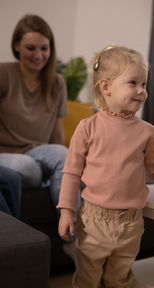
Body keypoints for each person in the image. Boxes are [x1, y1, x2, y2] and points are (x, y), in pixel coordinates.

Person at [57, 45, 154, 288]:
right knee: (87, 284)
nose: (142, 90)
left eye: (144, 83)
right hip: (94, 220)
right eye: (133, 83)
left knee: (118, 284)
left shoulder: (146, 131)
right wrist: (67, 210)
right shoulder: (87, 127)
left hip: (131, 223)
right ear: (106, 87)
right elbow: (71, 173)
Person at [0, 14, 78, 262]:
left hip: (39, 152)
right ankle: (47, 179)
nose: (38, 55)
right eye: (30, 48)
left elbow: (57, 135)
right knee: (26, 167)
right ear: (16, 46)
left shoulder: (56, 82)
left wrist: (72, 166)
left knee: (62, 154)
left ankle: (73, 242)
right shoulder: (4, 74)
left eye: (44, 48)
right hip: (7, 155)